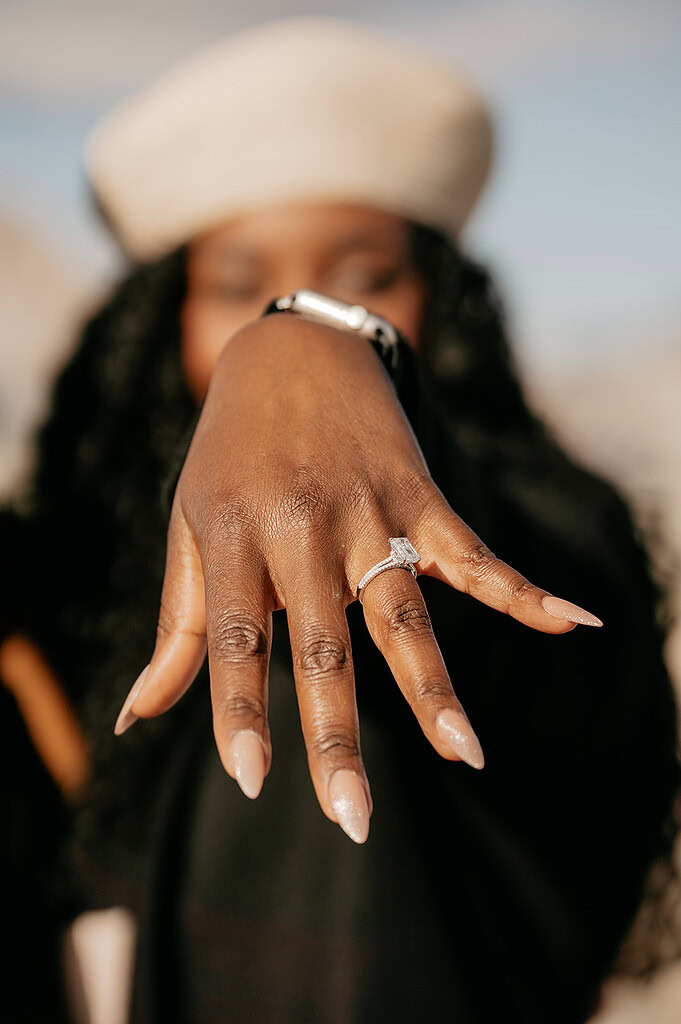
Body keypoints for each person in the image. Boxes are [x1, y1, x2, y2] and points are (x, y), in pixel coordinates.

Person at [2, 16, 680, 1024]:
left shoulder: (546, 530)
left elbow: (535, 625)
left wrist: (312, 345)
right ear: (158, 324)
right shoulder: (61, 567)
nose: (299, 298)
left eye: (367, 278)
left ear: (443, 306)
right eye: (237, 284)